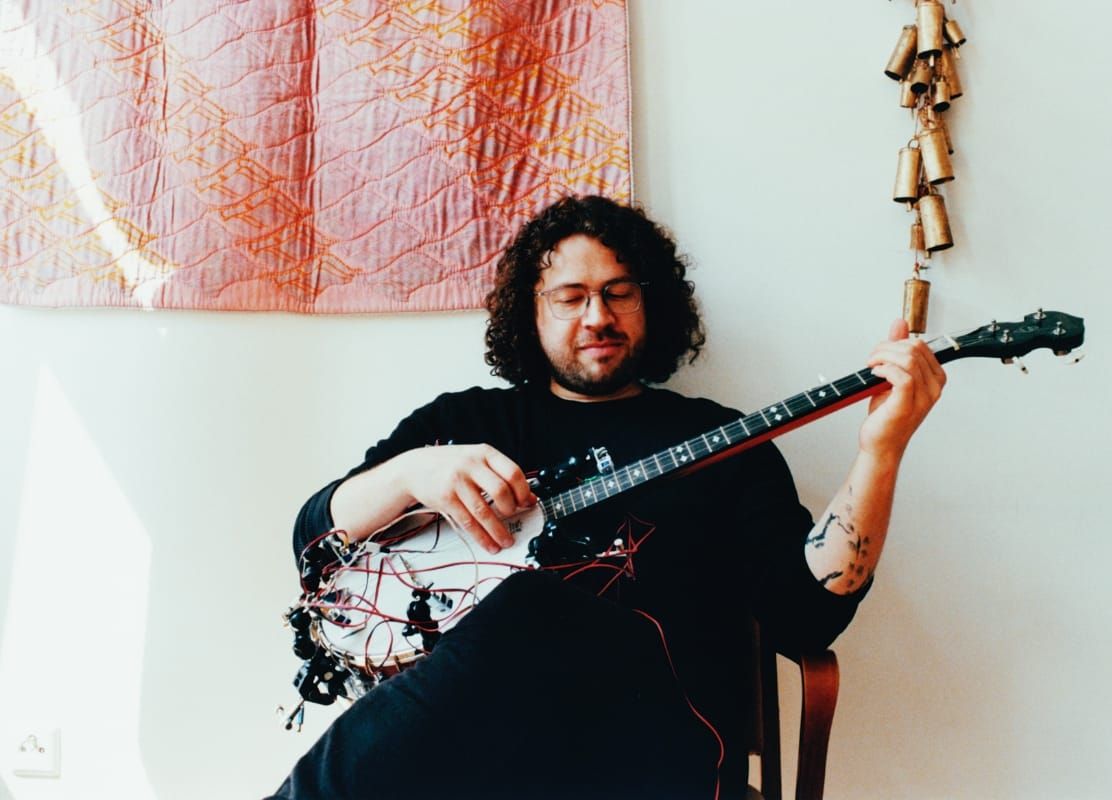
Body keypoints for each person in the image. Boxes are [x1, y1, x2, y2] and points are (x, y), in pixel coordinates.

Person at [269, 195, 945, 800]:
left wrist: (880, 451)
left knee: (531, 606)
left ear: (652, 305)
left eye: (620, 292)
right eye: (571, 296)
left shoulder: (721, 441)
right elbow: (316, 548)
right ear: (530, 311)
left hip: (655, 752)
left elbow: (806, 619)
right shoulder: (462, 426)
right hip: (481, 761)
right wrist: (411, 474)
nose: (598, 316)